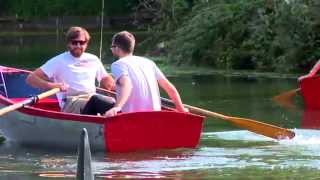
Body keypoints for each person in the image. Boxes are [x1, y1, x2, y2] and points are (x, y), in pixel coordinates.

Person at [26, 26, 115, 115]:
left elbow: (105, 79)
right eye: (74, 42)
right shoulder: (58, 61)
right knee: (97, 101)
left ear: (86, 44)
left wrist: (115, 87)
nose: (78, 46)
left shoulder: (93, 59)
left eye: (82, 42)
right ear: (68, 43)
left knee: (112, 102)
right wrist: (53, 85)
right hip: (71, 102)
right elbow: (31, 78)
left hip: (91, 98)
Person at [104, 31, 188, 117]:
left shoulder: (118, 64)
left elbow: (127, 84)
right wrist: (181, 109)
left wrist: (117, 107)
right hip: (156, 116)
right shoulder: (149, 62)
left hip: (133, 117)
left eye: (112, 47)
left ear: (117, 48)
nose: (111, 49)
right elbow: (169, 88)